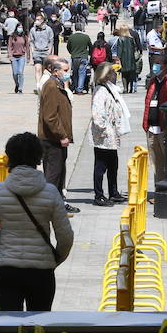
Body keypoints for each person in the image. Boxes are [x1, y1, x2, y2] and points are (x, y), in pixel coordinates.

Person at [0, 132, 74, 312]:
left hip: (6, 270)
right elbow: (66, 237)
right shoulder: (50, 192)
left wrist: (2, 237)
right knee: (39, 330)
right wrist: (54, 260)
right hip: (41, 272)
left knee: (10, 329)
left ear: (9, 158)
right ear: (38, 157)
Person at [88, 65, 131, 207]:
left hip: (112, 133)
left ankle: (113, 192)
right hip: (104, 135)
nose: (115, 74)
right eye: (113, 72)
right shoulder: (100, 91)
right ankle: (99, 195)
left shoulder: (110, 89)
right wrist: (105, 129)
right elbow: (97, 113)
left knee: (113, 164)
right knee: (101, 165)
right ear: (106, 75)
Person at [38, 57, 77, 212]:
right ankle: (49, 207)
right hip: (52, 139)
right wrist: (62, 135)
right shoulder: (52, 86)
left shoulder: (58, 84)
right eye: (65, 70)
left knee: (59, 173)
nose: (68, 73)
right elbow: (50, 116)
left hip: (56, 138)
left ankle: (58, 203)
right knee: (53, 175)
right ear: (55, 71)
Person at [142, 63, 167, 180]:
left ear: (165, 66)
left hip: (163, 128)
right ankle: (159, 189)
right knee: (155, 162)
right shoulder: (153, 82)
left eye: (158, 63)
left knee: (166, 161)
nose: (155, 67)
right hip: (152, 127)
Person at [114, 24, 141, 93]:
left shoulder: (120, 39)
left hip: (123, 58)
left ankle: (125, 88)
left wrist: (118, 58)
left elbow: (119, 50)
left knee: (124, 74)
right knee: (131, 73)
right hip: (131, 58)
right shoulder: (131, 39)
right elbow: (134, 48)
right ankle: (131, 88)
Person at [29, 15, 54, 88]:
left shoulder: (48, 29)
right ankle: (38, 85)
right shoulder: (33, 30)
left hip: (46, 52)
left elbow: (51, 41)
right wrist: (33, 51)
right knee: (37, 68)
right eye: (36, 19)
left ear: (42, 20)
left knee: (44, 70)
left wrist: (49, 52)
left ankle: (43, 85)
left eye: (38, 19)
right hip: (37, 52)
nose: (36, 21)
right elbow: (31, 41)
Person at [64, 26, 91, 94]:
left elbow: (68, 47)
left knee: (75, 73)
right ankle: (80, 89)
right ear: (81, 28)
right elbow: (90, 46)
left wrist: (72, 52)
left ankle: (75, 87)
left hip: (75, 57)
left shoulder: (71, 37)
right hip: (83, 57)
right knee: (82, 73)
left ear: (75, 28)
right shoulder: (86, 37)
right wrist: (88, 53)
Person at [7, 25, 29, 93]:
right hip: (14, 57)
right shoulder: (12, 37)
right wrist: (10, 55)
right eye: (19, 27)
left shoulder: (24, 36)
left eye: (21, 27)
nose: (20, 29)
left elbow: (27, 46)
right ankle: (17, 84)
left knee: (20, 72)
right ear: (16, 28)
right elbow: (9, 46)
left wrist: (28, 56)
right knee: (15, 73)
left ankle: (20, 88)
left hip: (21, 56)